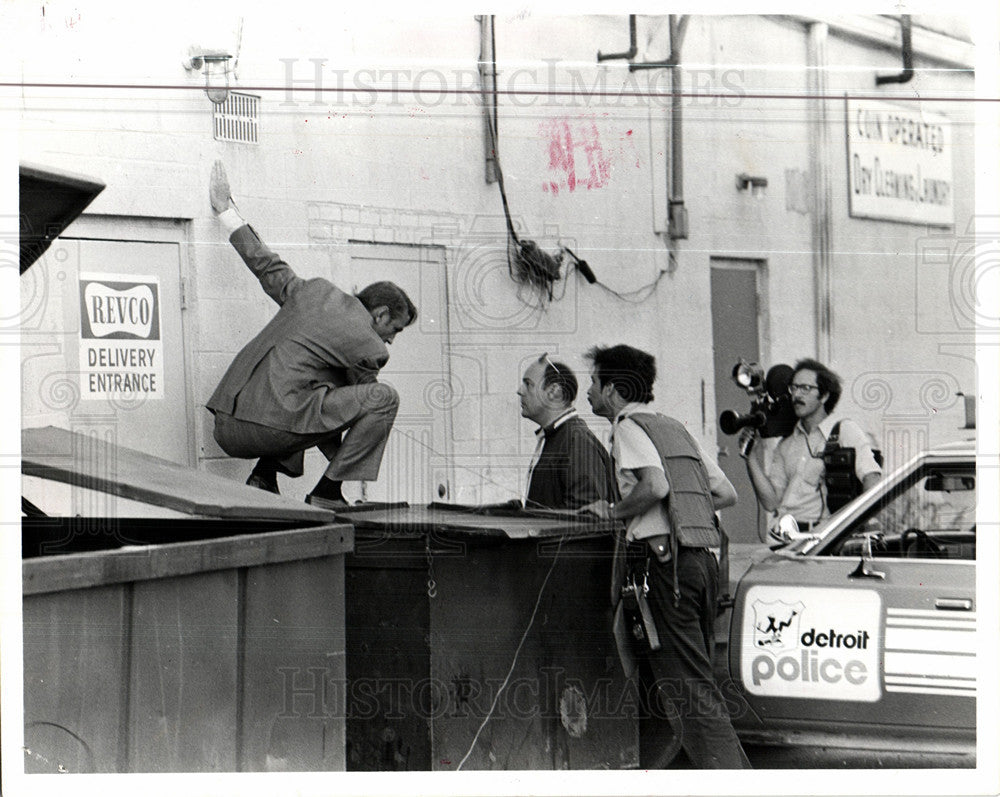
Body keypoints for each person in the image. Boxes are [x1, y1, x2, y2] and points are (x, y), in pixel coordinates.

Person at [205, 161, 417, 507]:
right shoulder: (370, 346)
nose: (390, 340)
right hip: (269, 430)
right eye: (393, 329)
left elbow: (267, 266)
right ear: (379, 314)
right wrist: (342, 464)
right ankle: (327, 493)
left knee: (315, 385)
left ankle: (264, 476)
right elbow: (351, 416)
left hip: (227, 426)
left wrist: (226, 211)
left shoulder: (313, 291)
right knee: (382, 398)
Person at [579, 344, 750, 769]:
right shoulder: (673, 427)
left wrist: (613, 511)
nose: (588, 393)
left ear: (614, 390)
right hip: (700, 562)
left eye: (594, 384)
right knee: (678, 683)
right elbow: (726, 492)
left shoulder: (628, 427)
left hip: (663, 567)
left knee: (689, 690)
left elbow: (654, 485)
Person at [742, 357, 881, 531]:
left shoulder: (844, 431)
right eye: (794, 388)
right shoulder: (786, 444)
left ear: (824, 396)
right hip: (786, 536)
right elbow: (771, 503)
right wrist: (750, 458)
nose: (797, 395)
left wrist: (868, 523)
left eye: (806, 388)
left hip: (825, 538)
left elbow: (871, 477)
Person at [517, 353, 615, 510]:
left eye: (528, 384)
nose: (520, 391)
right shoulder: (560, 437)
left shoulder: (577, 441)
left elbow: (587, 520)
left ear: (554, 391)